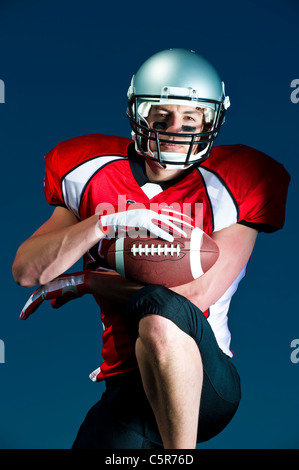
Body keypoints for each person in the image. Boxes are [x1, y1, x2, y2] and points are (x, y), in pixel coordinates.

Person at [12, 48, 290, 449]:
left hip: (203, 376)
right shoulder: (88, 170)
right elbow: (28, 271)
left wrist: (87, 280)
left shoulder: (241, 179)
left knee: (161, 316)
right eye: (161, 115)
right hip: (125, 379)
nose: (175, 128)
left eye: (191, 117)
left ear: (212, 121)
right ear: (138, 115)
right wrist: (103, 222)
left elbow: (189, 297)